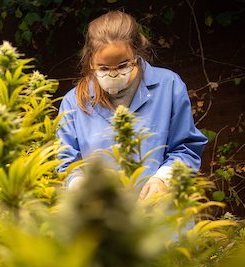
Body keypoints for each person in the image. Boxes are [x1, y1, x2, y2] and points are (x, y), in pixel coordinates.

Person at [57, 11, 207, 199]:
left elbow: (187, 148)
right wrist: (79, 186)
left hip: (162, 215)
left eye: (122, 65)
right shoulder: (74, 102)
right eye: (103, 68)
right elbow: (66, 162)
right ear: (90, 61)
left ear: (136, 53)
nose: (113, 74)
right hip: (103, 221)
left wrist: (164, 179)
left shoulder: (169, 86)